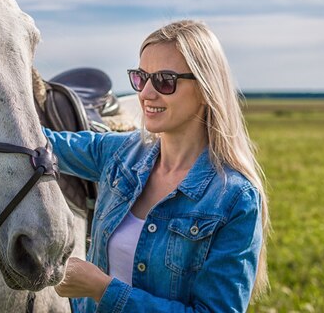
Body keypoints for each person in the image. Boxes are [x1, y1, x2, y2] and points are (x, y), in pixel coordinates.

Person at [45, 20, 269, 312]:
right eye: (141, 78)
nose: (146, 94)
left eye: (165, 80)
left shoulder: (234, 198)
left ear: (205, 89)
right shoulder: (122, 154)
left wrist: (101, 289)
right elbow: (40, 142)